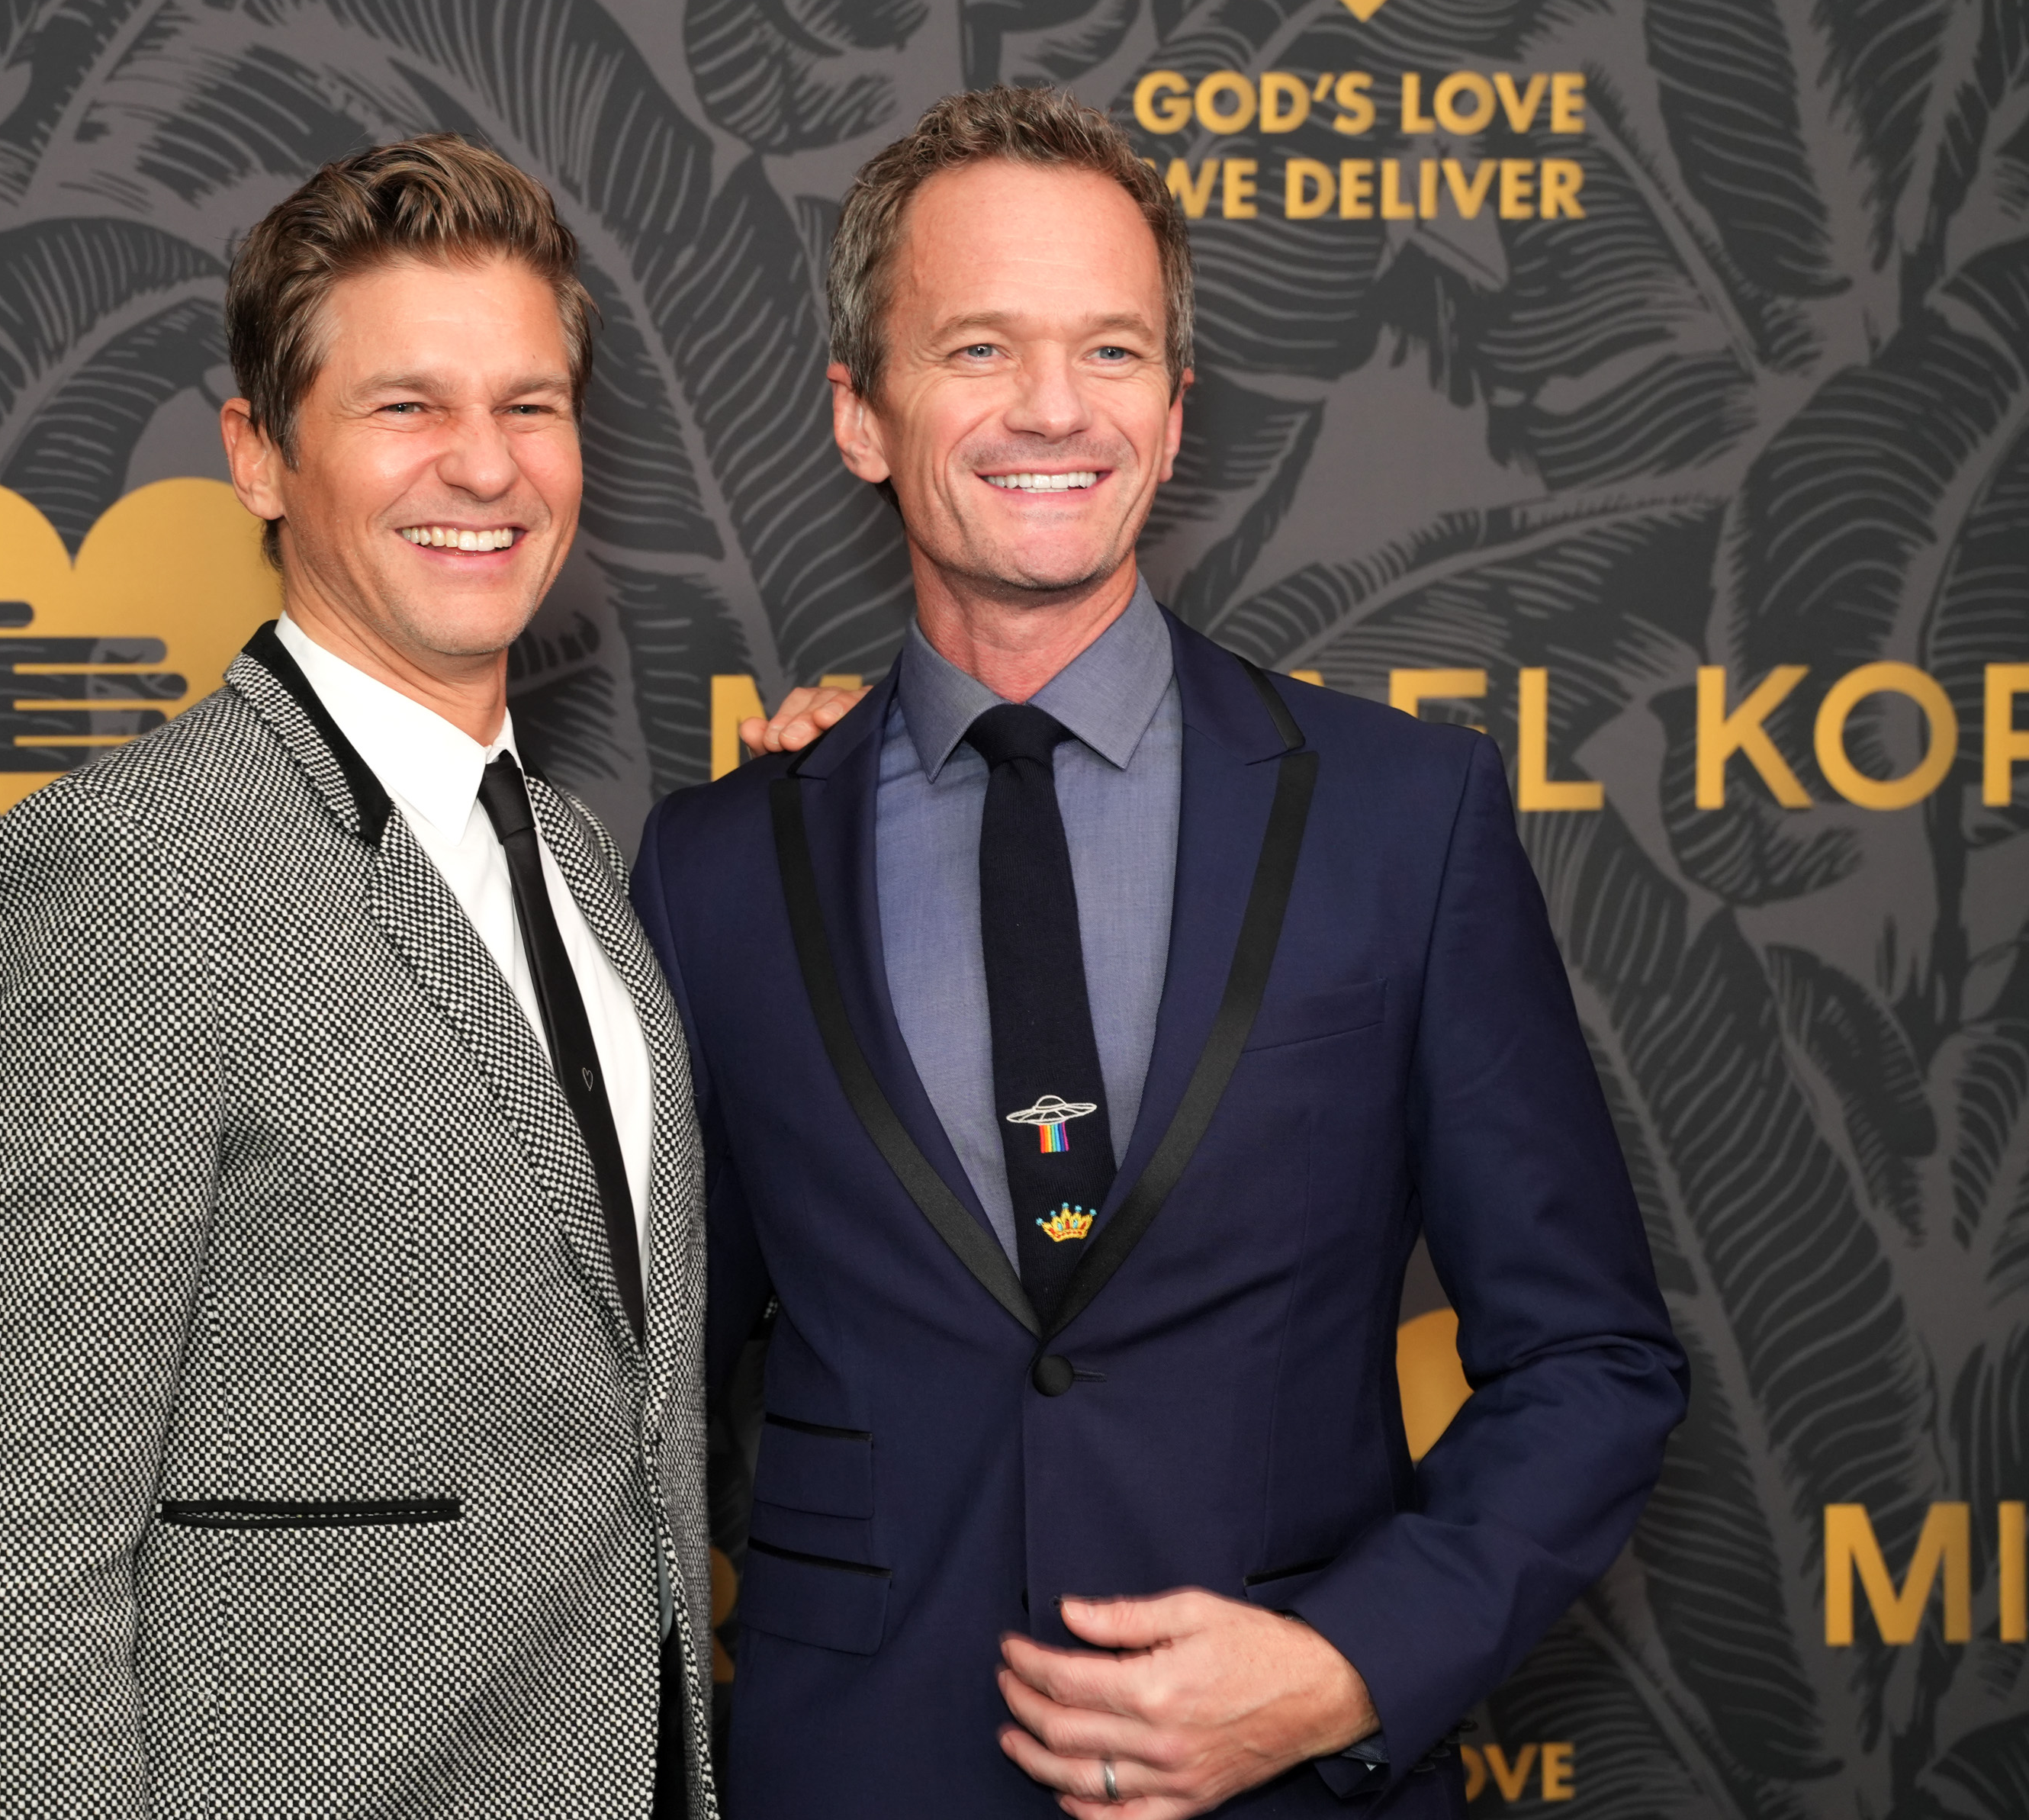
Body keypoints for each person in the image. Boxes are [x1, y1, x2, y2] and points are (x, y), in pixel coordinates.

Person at [633, 88, 1687, 1818]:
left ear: (1176, 412)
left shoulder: (1400, 817)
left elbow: (1594, 1361)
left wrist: (1351, 1664)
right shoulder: (720, 866)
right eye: (978, 347)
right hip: (862, 1769)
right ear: (859, 414)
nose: (1056, 408)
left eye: (1111, 352)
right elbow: (621, 1391)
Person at [0, 134, 710, 1819]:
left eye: (531, 405)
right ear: (261, 458)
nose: (485, 468)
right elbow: (20, 1558)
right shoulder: (137, 864)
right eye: (405, 408)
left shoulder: (570, 856)